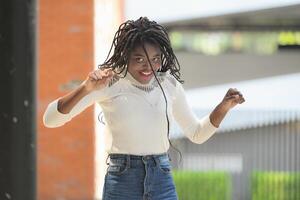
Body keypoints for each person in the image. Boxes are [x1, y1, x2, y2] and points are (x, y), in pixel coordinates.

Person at [43, 17, 245, 200]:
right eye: (139, 59)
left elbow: (197, 134)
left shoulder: (170, 85)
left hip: (161, 180)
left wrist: (224, 107)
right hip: (122, 181)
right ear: (125, 55)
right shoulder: (108, 83)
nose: (148, 67)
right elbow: (51, 120)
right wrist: (85, 88)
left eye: (155, 59)